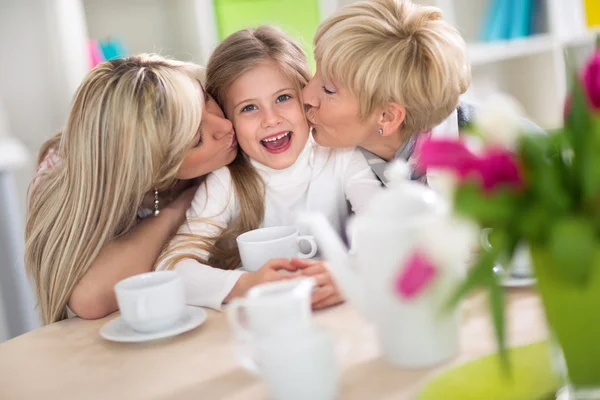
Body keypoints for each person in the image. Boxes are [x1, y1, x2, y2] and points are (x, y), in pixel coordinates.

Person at [156, 26, 383, 310]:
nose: (271, 119)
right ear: (229, 120)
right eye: (249, 108)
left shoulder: (340, 155)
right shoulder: (226, 181)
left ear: (306, 97)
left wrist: (351, 274)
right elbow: (170, 267)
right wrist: (245, 285)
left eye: (283, 98)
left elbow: (387, 224)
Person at [24, 54, 253, 324]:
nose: (225, 125)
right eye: (197, 139)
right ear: (152, 170)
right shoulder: (62, 175)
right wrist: (181, 205)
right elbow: (90, 297)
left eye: (205, 99)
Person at [302, 0, 544, 189]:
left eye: (329, 89)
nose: (305, 95)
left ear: (387, 117)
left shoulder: (517, 158)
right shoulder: (321, 154)